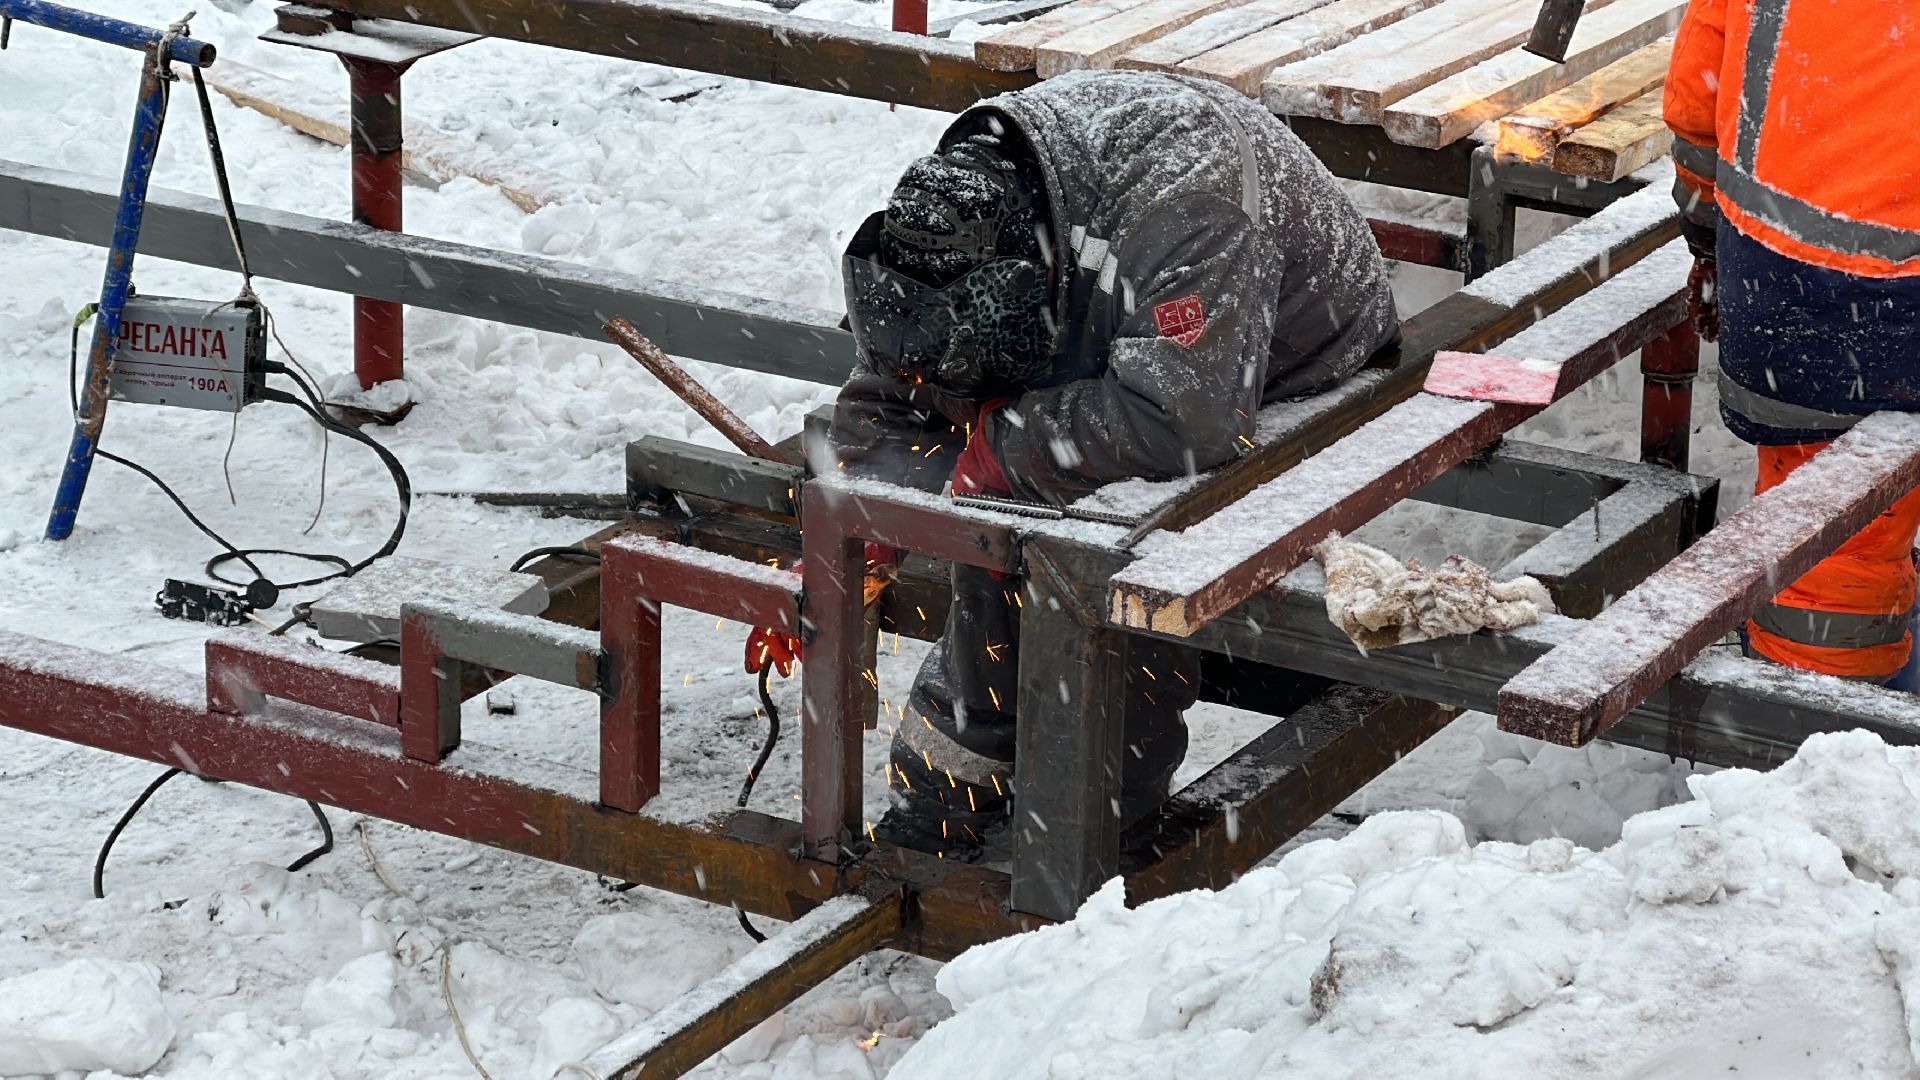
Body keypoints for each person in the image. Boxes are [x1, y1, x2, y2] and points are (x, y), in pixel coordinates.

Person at [753, 69, 1399, 856]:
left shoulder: (1194, 212)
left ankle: (1090, 832)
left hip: (1272, 364)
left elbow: (1180, 422)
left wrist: (997, 450)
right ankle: (947, 802)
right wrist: (850, 532)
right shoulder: (962, 205)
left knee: (1101, 553)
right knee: (1008, 511)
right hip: (1113, 316)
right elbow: (895, 389)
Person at [1665, 1, 1920, 683]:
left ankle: (1820, 747)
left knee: (1829, 556)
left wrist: (1705, 239)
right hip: (1831, 300)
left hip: (1797, 296)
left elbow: (1699, 102)